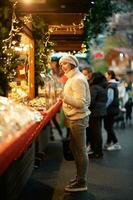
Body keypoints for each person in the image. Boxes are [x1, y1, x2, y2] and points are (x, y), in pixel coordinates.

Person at [59, 54, 91, 192]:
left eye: (65, 63)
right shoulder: (72, 78)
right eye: (61, 64)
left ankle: (81, 182)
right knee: (75, 148)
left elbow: (81, 103)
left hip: (78, 118)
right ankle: (79, 177)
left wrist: (63, 97)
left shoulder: (77, 79)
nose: (62, 66)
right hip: (75, 118)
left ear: (72, 64)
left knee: (80, 150)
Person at [86, 72, 108, 158]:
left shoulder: (94, 87)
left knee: (95, 133)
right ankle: (98, 151)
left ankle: (97, 152)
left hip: (94, 113)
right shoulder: (103, 87)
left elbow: (91, 102)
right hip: (100, 112)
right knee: (97, 132)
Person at [104, 70, 121, 151]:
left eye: (106, 75)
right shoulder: (113, 85)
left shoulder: (110, 86)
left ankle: (116, 143)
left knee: (108, 127)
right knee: (108, 126)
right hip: (113, 109)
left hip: (110, 110)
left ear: (110, 75)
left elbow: (109, 99)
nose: (105, 76)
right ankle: (109, 142)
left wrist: (105, 107)